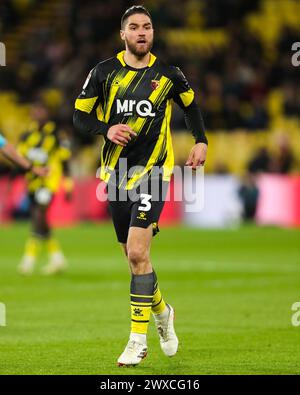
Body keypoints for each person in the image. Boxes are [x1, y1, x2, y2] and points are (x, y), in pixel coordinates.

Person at [73, 5, 208, 367]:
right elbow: (79, 115)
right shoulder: (104, 72)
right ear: (123, 35)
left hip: (154, 175)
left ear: (152, 32)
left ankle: (137, 341)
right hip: (116, 178)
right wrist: (107, 128)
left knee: (136, 252)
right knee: (136, 260)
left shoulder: (168, 74)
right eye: (134, 27)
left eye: (147, 27)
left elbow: (192, 107)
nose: (141, 32)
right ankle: (163, 313)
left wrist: (200, 140)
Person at [17, 101, 73, 275]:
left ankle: (29, 258)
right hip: (32, 183)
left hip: (49, 183)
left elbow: (65, 161)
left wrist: (68, 184)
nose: (37, 114)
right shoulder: (27, 136)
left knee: (38, 215)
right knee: (41, 220)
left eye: (40, 111)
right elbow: (20, 159)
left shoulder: (56, 135)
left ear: (47, 113)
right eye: (35, 110)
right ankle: (57, 258)